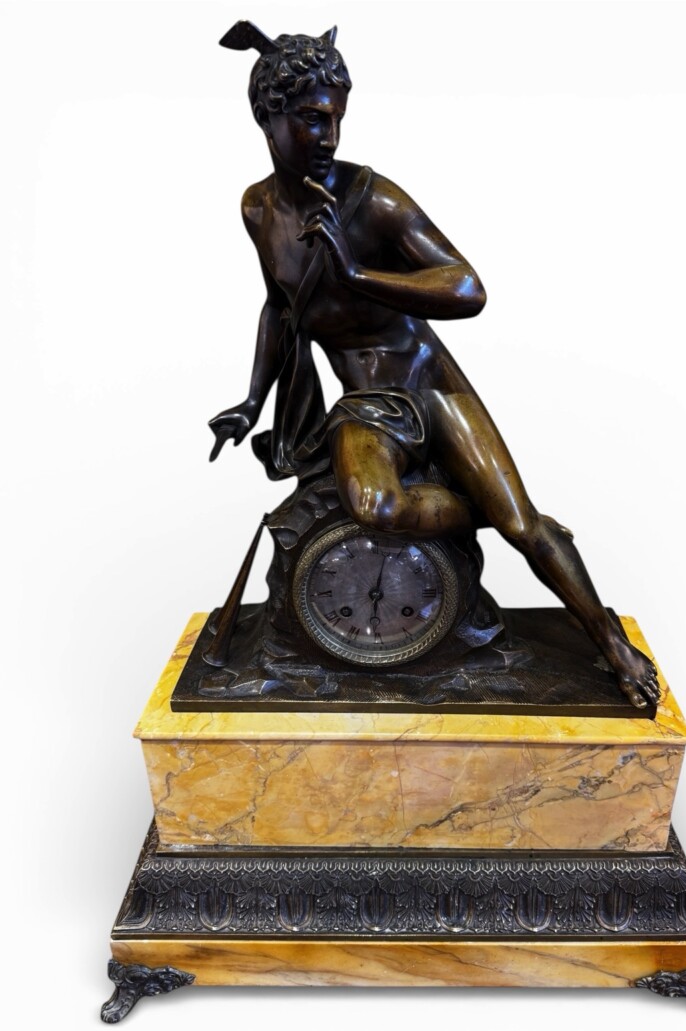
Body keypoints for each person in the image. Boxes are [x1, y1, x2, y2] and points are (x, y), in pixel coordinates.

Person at [208, 23, 659, 709]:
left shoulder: (374, 199)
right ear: (266, 116)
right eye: (311, 118)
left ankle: (610, 643)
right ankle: (484, 509)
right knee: (377, 507)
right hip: (365, 402)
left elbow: (467, 287)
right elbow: (280, 305)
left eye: (337, 118)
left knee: (526, 527)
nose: (329, 135)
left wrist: (359, 274)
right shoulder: (258, 209)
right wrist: (250, 401)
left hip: (429, 382)